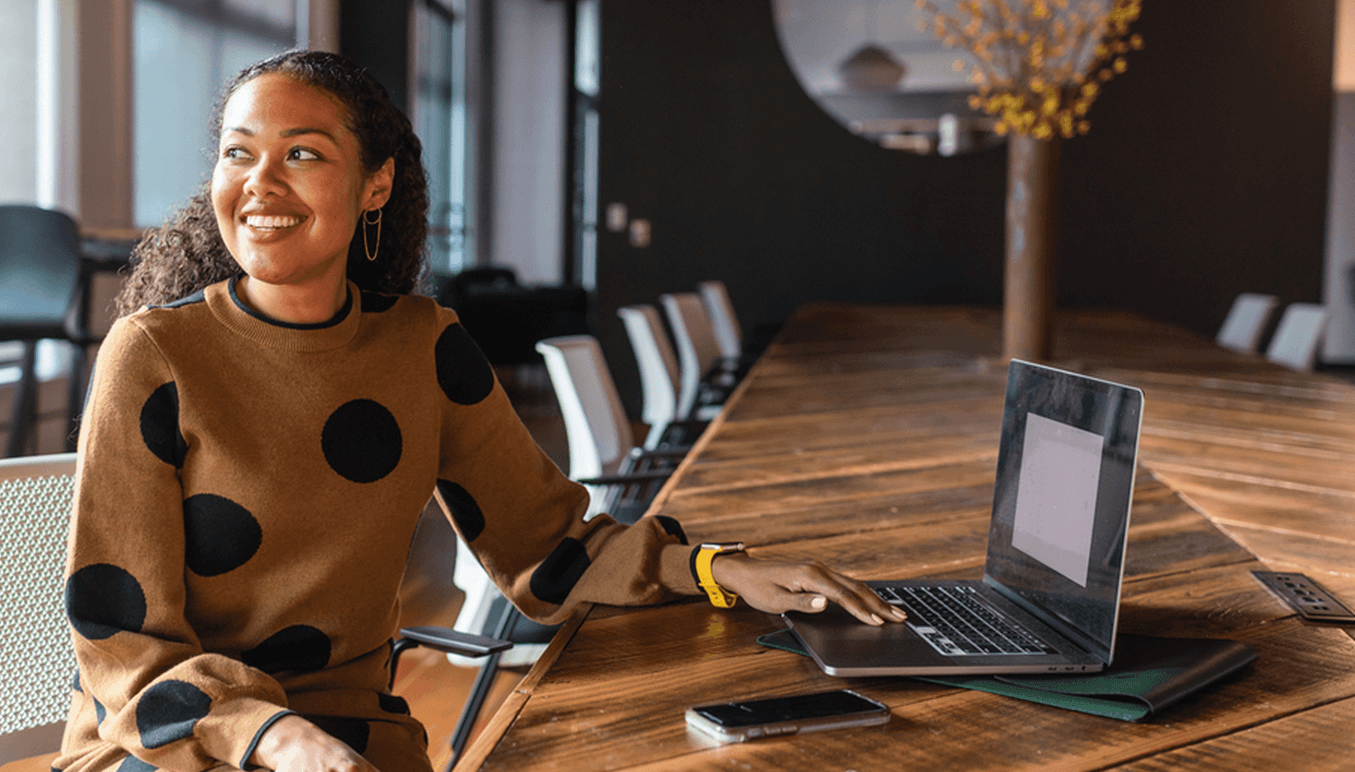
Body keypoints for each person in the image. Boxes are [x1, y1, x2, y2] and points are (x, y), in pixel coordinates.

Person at [57, 50, 906, 772]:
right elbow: (120, 644)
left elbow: (547, 546)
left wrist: (721, 571)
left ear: (375, 185)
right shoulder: (154, 353)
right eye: (238, 154)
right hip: (173, 742)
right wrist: (272, 736)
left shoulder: (423, 347)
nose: (260, 183)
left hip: (355, 737)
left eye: (303, 154)